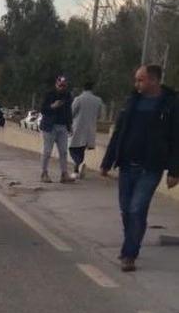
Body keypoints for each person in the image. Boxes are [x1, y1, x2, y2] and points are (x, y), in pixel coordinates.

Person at [100, 65, 179, 272]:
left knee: (137, 209)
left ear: (154, 81)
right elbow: (119, 132)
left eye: (140, 80)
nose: (136, 84)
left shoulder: (170, 104)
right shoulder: (132, 101)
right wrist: (107, 161)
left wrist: (174, 171)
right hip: (126, 165)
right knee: (127, 210)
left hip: (150, 168)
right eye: (136, 80)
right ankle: (132, 242)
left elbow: (177, 139)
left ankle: (129, 254)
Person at [39, 76, 74, 183]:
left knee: (63, 151)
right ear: (56, 84)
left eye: (63, 86)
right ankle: (44, 173)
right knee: (47, 151)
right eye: (60, 85)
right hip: (50, 126)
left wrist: (69, 125)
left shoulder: (67, 96)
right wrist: (52, 106)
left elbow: (68, 111)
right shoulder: (49, 94)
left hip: (62, 126)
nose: (62, 88)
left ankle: (64, 174)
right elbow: (43, 109)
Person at [69, 82, 103, 179]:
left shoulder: (78, 99)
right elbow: (99, 115)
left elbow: (71, 113)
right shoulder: (98, 100)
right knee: (81, 149)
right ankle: (78, 166)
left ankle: (78, 165)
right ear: (92, 89)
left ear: (83, 88)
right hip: (90, 129)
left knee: (72, 148)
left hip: (78, 128)